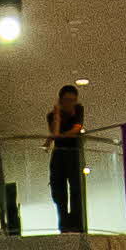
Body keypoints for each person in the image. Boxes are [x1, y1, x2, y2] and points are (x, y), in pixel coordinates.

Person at [46, 79, 89, 231]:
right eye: (66, 100)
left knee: (76, 188)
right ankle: (64, 226)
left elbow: (76, 129)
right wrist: (57, 116)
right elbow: (55, 133)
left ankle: (77, 225)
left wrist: (59, 136)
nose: (70, 103)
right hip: (59, 155)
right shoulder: (52, 115)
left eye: (72, 100)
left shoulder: (78, 110)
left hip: (74, 154)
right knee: (59, 191)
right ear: (60, 100)